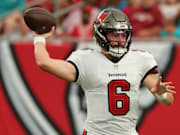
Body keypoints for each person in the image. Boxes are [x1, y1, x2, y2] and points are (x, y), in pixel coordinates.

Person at [32, 8, 175, 135]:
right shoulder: (85, 60)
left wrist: (161, 93)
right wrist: (39, 39)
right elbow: (44, 63)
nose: (120, 40)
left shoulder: (139, 59)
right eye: (115, 35)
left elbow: (168, 100)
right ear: (101, 35)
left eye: (123, 35)